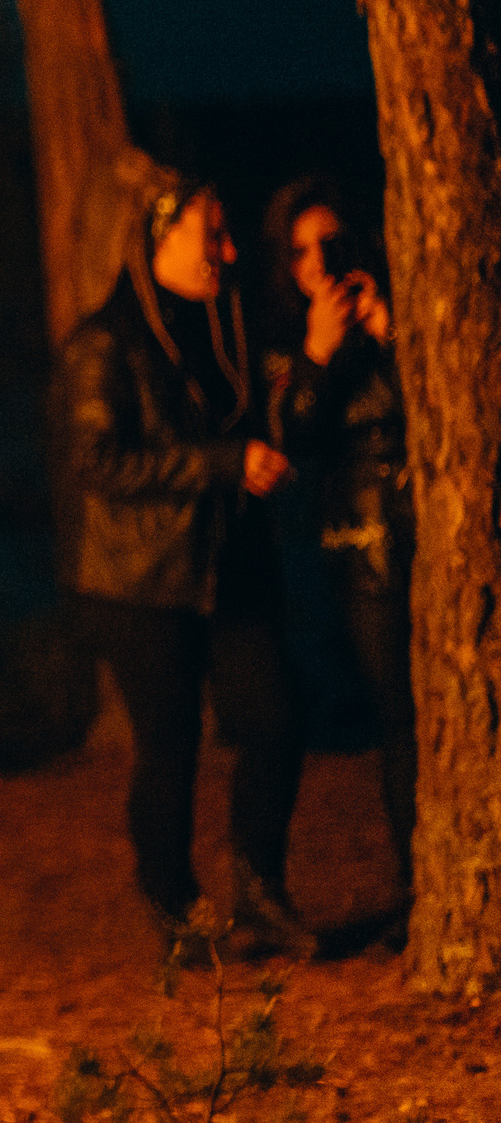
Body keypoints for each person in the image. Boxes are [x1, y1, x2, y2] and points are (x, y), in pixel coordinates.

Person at [59, 174, 312, 962]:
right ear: (159, 241)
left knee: (275, 720)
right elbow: (100, 461)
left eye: (229, 237)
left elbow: (274, 406)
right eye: (213, 237)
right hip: (142, 579)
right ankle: (172, 904)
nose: (229, 253)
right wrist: (224, 463)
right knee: (168, 741)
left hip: (232, 564)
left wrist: (316, 361)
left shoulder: (235, 324)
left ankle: (260, 891)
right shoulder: (105, 340)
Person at [262, 175, 413, 914]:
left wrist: (390, 330)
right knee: (399, 711)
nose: (318, 262)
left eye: (331, 243)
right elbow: (296, 441)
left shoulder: (405, 302)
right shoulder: (287, 341)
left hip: (430, 511)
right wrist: (321, 354)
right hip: (361, 532)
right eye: (300, 251)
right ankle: (421, 880)